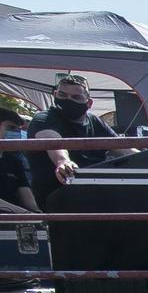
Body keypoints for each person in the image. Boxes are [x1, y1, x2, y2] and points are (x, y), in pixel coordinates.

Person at [27, 74, 132, 206]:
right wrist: (63, 162)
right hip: (59, 194)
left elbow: (123, 148)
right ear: (55, 94)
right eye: (62, 95)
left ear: (89, 103)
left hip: (95, 190)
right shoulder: (43, 119)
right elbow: (53, 143)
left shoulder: (94, 121)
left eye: (76, 97)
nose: (68, 100)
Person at [0, 108, 42, 214]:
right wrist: (24, 214)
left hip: (14, 220)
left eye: (18, 130)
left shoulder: (14, 161)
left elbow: (25, 192)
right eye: (10, 128)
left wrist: (38, 214)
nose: (16, 133)